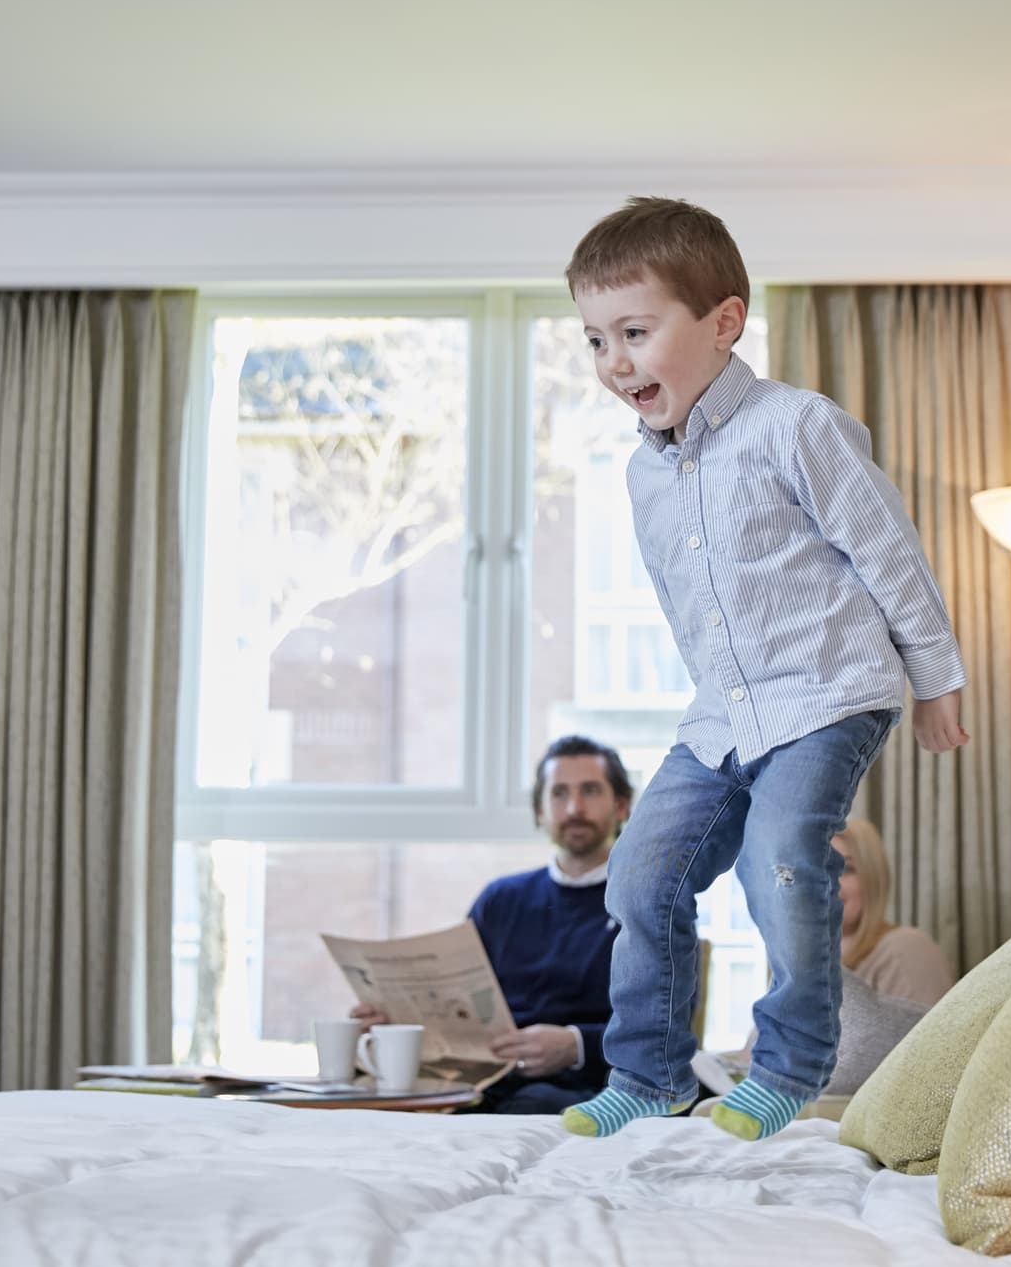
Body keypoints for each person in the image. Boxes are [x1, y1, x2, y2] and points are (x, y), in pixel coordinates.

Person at [560, 196, 970, 1142]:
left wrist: (936, 681)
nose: (614, 362)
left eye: (634, 331)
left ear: (724, 322)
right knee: (639, 878)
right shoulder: (644, 472)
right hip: (722, 714)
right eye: (593, 341)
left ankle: (790, 1065)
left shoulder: (799, 427)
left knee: (781, 861)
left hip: (829, 692)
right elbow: (681, 602)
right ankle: (653, 1074)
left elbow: (888, 554)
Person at [353, 734, 632, 1114]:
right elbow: (457, 1004)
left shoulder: (647, 905)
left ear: (621, 806)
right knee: (370, 1093)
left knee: (532, 1104)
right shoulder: (501, 899)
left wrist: (575, 1045)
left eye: (590, 791)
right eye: (559, 793)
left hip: (583, 1088)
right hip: (486, 1079)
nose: (574, 808)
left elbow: (669, 1030)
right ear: (539, 811)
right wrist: (397, 1017)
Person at [835, 817, 953, 1005]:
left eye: (847, 869)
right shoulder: (801, 965)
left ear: (873, 878)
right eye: (818, 869)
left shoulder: (906, 950)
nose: (829, 883)